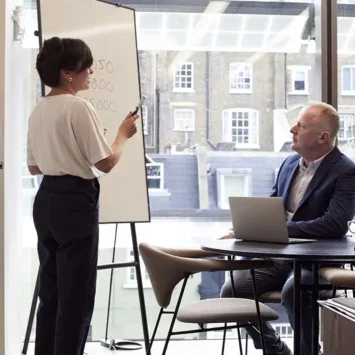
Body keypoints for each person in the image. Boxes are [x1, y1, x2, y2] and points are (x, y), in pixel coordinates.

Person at [27, 37, 138, 355]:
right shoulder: (78, 106)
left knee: (52, 295)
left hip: (46, 199)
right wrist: (121, 134)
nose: (91, 70)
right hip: (75, 203)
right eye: (85, 66)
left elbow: (34, 167)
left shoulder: (39, 109)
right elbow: (106, 161)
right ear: (67, 73)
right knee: (75, 299)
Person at [220, 102, 355, 355]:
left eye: (301, 126)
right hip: (278, 258)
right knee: (233, 290)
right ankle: (275, 349)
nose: (292, 129)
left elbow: (334, 224)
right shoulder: (289, 164)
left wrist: (283, 229)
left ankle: (308, 352)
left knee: (295, 291)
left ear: (322, 137)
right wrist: (244, 228)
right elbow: (271, 209)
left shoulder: (347, 171)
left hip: (317, 264)